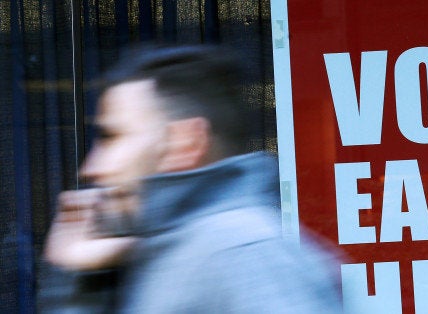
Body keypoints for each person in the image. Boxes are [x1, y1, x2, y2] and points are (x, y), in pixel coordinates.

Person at [42, 45, 343, 313]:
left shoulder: (244, 250)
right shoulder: (165, 252)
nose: (92, 168)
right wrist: (81, 280)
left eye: (112, 137)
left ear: (184, 143)